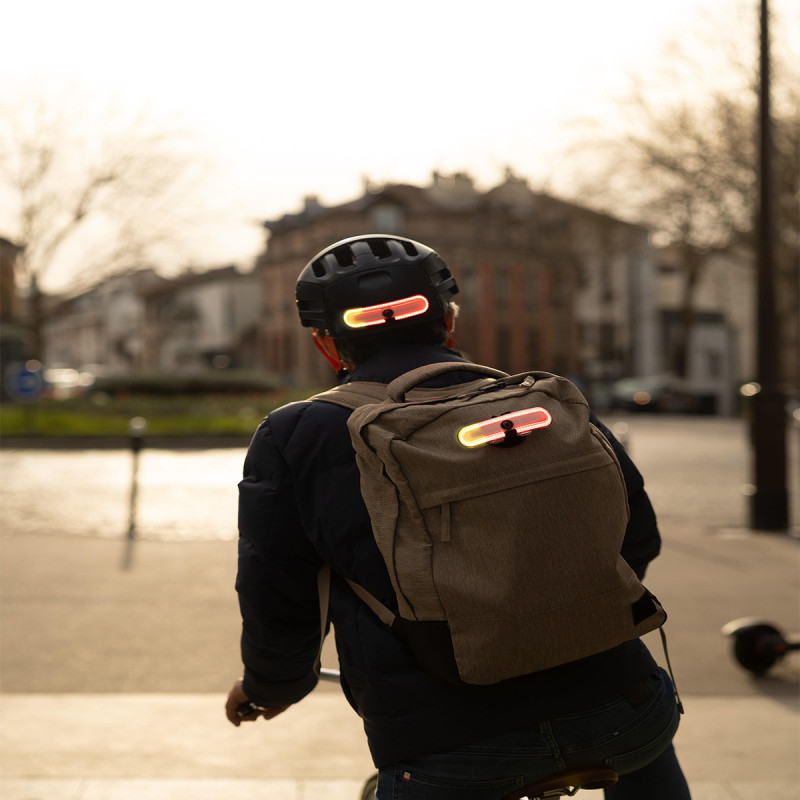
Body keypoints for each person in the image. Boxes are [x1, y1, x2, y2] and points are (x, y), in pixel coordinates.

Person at [225, 234, 691, 800]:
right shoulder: (546, 403)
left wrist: (273, 685)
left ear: (327, 346)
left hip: (449, 743)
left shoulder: (300, 434)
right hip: (625, 707)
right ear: (449, 322)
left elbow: (279, 590)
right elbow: (635, 539)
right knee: (643, 749)